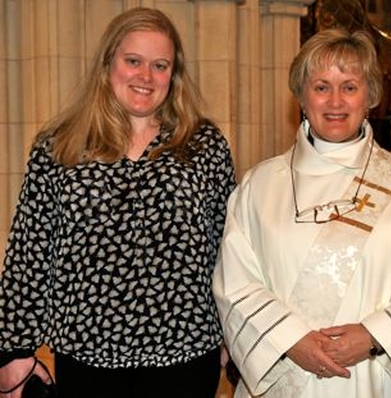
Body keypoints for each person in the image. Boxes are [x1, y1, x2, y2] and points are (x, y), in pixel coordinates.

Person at [0, 7, 235, 398]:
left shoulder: (203, 145)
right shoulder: (60, 145)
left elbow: (229, 249)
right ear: (108, 63)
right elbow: (30, 249)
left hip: (187, 351)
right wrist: (14, 350)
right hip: (87, 353)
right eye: (133, 61)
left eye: (160, 65)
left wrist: (236, 335)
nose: (145, 76)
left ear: (173, 76)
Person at [213, 28, 391, 397]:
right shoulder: (259, 186)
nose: (335, 101)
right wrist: (290, 339)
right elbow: (235, 284)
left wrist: (374, 335)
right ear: (301, 96)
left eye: (350, 86)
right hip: (285, 372)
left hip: (374, 377)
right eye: (321, 86)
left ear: (370, 96)